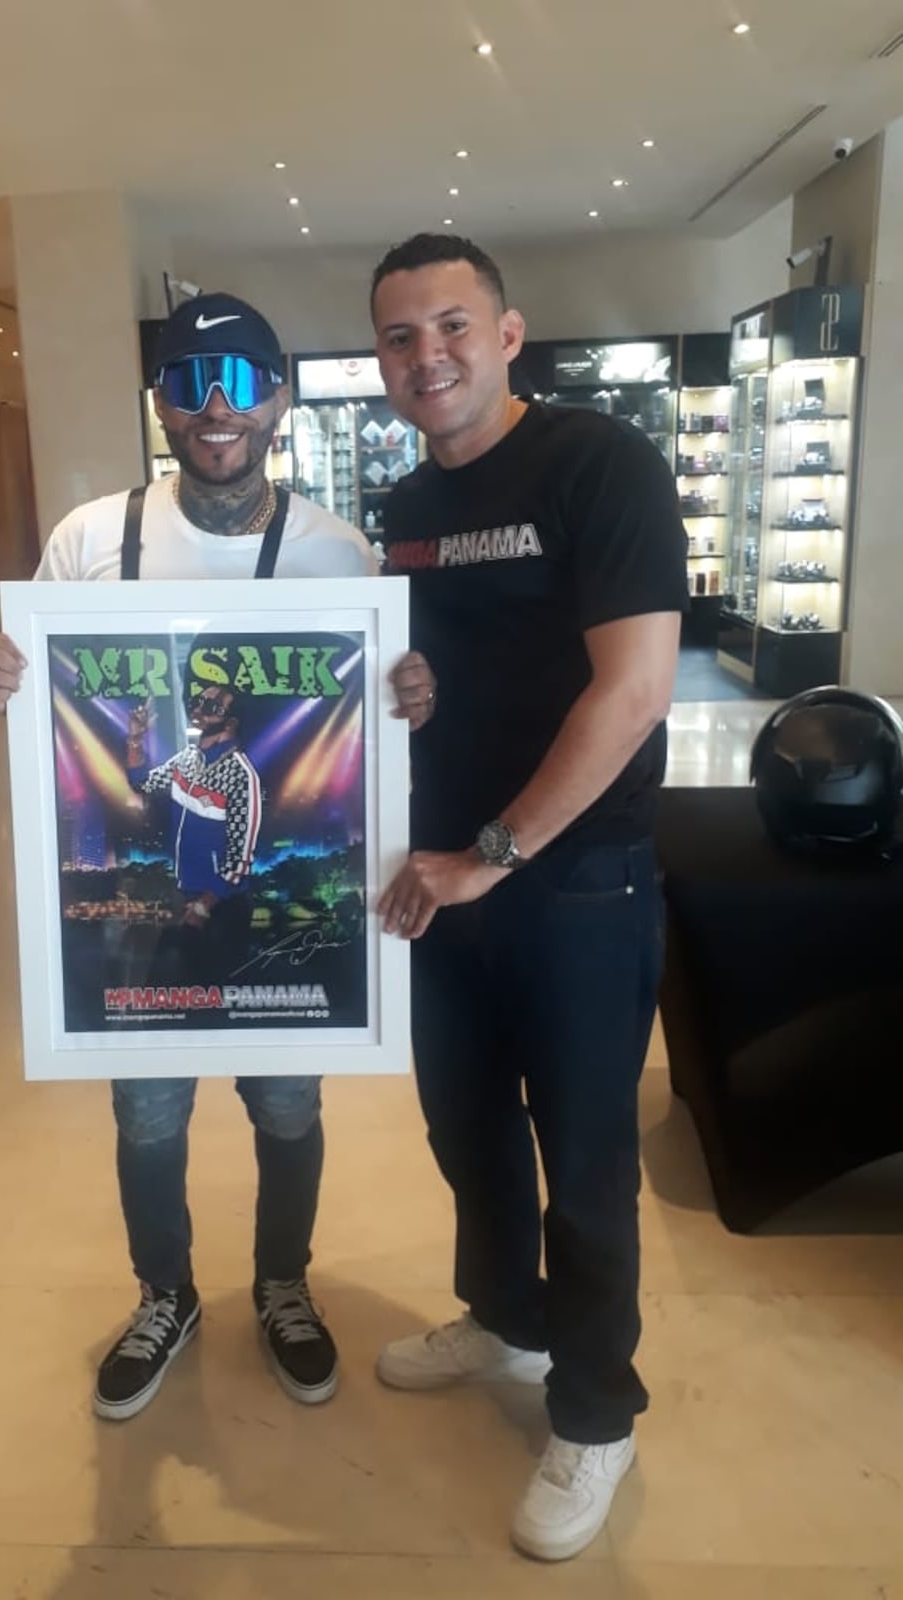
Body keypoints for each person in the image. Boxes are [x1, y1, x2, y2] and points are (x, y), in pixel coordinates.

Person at [0, 292, 435, 1424]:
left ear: (278, 398)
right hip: (155, 930)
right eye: (189, 383)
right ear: (161, 402)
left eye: (239, 384)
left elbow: (370, 729)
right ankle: (165, 1295)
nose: (215, 409)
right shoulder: (90, 540)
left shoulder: (338, 552)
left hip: (250, 917)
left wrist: (411, 696)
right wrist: (4, 679)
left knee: (286, 1106)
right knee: (146, 1117)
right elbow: (53, 714)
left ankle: (282, 1283)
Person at [370, 234, 688, 1562]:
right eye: (400, 337)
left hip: (578, 883)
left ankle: (597, 1411)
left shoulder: (599, 463)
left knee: (586, 1163)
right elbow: (424, 676)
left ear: (507, 334)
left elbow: (635, 689)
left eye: (452, 325)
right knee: (467, 1129)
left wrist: (491, 854)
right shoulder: (403, 507)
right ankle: (505, 1319)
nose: (427, 355)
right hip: (444, 878)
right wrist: (405, 694)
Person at [126, 679, 261, 983]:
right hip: (185, 898)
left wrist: (204, 906)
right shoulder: (187, 759)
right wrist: (135, 738)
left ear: (232, 722)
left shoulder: (241, 774)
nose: (198, 709)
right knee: (180, 996)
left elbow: (240, 858)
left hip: (222, 907)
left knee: (218, 996)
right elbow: (142, 783)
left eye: (211, 706)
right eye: (198, 701)